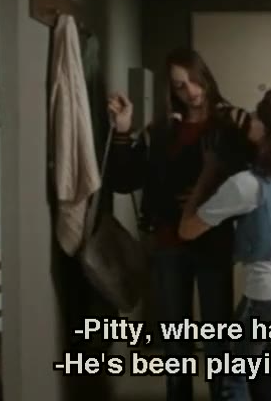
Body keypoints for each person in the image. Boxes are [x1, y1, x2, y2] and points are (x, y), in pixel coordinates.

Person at [106, 47, 251, 401]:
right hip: (169, 242)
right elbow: (123, 181)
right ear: (171, 89)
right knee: (175, 338)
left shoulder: (230, 125)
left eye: (194, 80)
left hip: (213, 240)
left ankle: (222, 396)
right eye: (179, 85)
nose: (191, 91)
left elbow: (250, 182)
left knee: (217, 335)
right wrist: (123, 130)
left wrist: (210, 197)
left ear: (205, 76)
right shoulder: (161, 130)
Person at [179, 89, 271, 401]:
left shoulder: (246, 185)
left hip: (269, 296)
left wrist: (208, 171)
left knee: (233, 379)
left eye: (257, 116)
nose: (250, 118)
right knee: (259, 370)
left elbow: (187, 230)